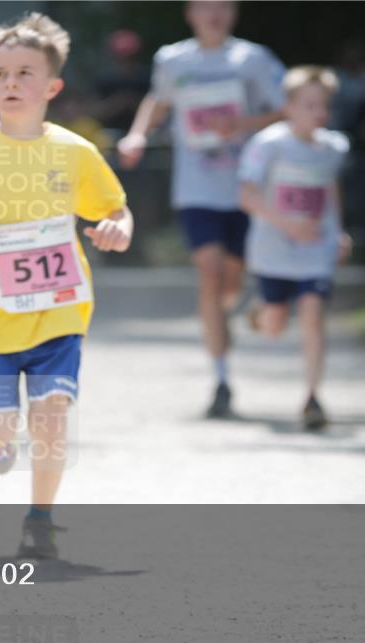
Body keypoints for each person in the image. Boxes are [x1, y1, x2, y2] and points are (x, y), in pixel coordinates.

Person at [0, 13, 133, 559]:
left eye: (25, 72)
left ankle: (40, 518)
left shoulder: (75, 153)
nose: (13, 82)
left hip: (58, 311)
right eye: (2, 73)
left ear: (52, 87)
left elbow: (114, 207)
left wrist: (117, 228)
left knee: (51, 416)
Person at [117, 0, 285, 418]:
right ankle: (222, 378)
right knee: (209, 273)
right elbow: (159, 101)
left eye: (223, 6)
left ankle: (228, 310)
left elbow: (285, 108)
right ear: (190, 12)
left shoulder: (253, 58)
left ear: (234, 12)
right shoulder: (174, 59)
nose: (214, 14)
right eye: (205, 6)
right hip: (196, 189)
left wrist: (239, 127)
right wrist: (137, 136)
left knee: (230, 282)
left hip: (246, 188)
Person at [237, 66, 351, 430]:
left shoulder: (334, 147)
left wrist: (338, 232)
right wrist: (287, 224)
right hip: (273, 250)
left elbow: (329, 189)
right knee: (274, 326)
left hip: (315, 250)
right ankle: (261, 309)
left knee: (314, 314)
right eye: (309, 105)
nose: (318, 112)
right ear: (288, 106)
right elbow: (247, 195)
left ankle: (313, 398)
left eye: (323, 106)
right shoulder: (267, 145)